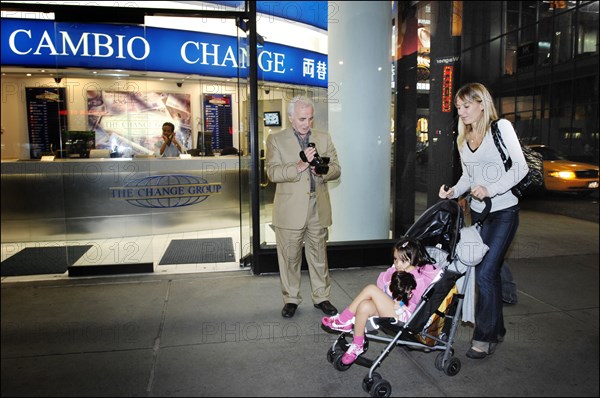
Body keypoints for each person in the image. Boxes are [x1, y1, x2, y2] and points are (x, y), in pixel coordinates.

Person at [438, 82, 526, 359]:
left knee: (487, 273)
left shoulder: (501, 129)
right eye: (458, 108)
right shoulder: (462, 138)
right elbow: (468, 176)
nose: (461, 112)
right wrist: (454, 191)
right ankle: (496, 329)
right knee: (489, 272)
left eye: (466, 106)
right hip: (478, 214)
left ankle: (484, 338)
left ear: (481, 104)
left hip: (504, 211)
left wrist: (491, 188)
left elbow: (520, 168)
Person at [266, 95, 342, 318]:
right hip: (289, 211)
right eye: (301, 118)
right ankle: (291, 299)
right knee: (290, 258)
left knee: (319, 256)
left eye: (310, 118)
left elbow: (337, 168)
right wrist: (298, 167)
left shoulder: (323, 138)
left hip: (318, 208)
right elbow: (271, 173)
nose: (306, 123)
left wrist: (323, 171)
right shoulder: (276, 140)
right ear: (290, 118)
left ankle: (322, 297)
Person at [321, 238, 441, 365]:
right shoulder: (396, 271)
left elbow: (416, 301)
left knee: (371, 289)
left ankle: (344, 319)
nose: (398, 264)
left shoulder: (418, 279)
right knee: (364, 305)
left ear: (413, 260)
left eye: (403, 260)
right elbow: (382, 286)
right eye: (395, 259)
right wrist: (391, 277)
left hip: (404, 315)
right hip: (391, 308)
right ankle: (357, 344)